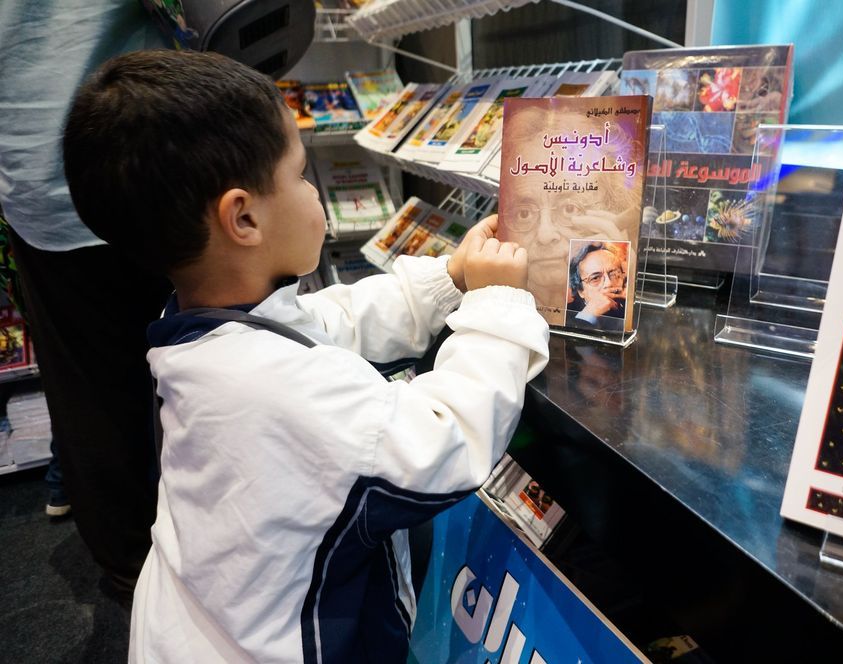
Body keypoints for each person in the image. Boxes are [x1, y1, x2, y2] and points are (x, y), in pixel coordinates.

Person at [62, 49, 549, 662]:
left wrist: (449, 278)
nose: (312, 190)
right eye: (299, 175)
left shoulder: (202, 326)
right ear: (243, 218)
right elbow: (443, 441)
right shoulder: (269, 388)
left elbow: (326, 323)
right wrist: (498, 306)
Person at [0, 1, 174, 600]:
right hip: (158, 150)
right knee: (212, 358)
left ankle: (131, 569)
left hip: (37, 168)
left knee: (90, 394)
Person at [497, 102, 643, 327]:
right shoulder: (495, 308)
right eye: (524, 213)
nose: (545, 235)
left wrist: (624, 291)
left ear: (613, 207)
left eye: (570, 209)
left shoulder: (616, 300)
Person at [566, 241, 628, 332]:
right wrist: (587, 315)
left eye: (614, 274)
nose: (608, 284)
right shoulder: (566, 314)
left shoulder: (628, 308)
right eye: (595, 278)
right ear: (580, 290)